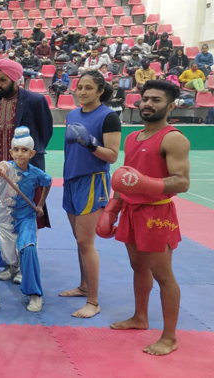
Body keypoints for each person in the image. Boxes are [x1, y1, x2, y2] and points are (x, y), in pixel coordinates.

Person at [104, 80, 189, 357]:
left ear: (171, 105)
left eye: (156, 100)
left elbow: (182, 182)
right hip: (131, 211)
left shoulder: (173, 138)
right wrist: (112, 210)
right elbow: (125, 179)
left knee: (163, 275)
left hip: (157, 213)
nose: (148, 104)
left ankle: (169, 337)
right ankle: (140, 317)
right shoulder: (132, 137)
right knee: (138, 267)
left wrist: (145, 184)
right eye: (145, 99)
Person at [58, 71, 121, 319]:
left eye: (88, 88)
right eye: (79, 87)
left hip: (93, 181)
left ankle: (93, 302)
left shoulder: (108, 116)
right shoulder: (72, 115)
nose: (82, 92)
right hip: (71, 180)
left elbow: (113, 156)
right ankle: (84, 286)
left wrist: (91, 143)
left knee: (86, 242)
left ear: (100, 91)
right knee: (79, 240)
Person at [0, 59, 54, 231]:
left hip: (27, 172)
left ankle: (27, 252)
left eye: (3, 80)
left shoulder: (35, 101)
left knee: (28, 219)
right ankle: (6, 254)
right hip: (1, 171)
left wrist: (28, 156)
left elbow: (45, 133)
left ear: (14, 79)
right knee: (3, 216)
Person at [0, 127, 52, 311]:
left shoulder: (35, 173)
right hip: (6, 215)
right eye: (16, 150)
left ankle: (34, 293)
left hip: (26, 216)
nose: (19, 154)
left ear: (32, 153)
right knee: (6, 248)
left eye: (24, 150)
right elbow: (2, 166)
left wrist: (40, 204)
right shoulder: (6, 167)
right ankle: (11, 267)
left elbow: (47, 182)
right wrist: (0, 169)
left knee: (28, 247)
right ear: (11, 152)